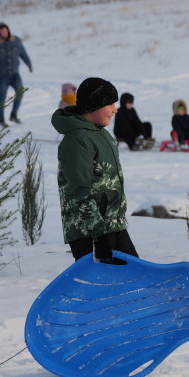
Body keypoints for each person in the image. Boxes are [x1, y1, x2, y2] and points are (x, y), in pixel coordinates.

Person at [51, 77, 137, 264]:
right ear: (93, 106)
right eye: (110, 104)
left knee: (133, 272)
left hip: (112, 225)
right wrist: (99, 236)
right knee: (105, 280)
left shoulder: (101, 133)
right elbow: (79, 191)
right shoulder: (77, 140)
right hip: (89, 232)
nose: (115, 109)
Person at [0, 22, 33, 127]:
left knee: (20, 92)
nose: (3, 33)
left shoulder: (16, 41)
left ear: (8, 30)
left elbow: (23, 53)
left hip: (15, 74)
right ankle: (1, 120)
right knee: (2, 98)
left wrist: (29, 64)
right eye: (1, 31)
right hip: (2, 76)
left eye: (5, 31)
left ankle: (13, 115)